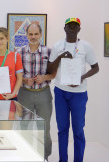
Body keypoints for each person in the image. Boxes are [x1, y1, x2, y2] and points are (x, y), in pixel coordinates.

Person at [47, 18, 99, 162]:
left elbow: (96, 68)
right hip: (60, 92)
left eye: (75, 26)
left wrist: (82, 77)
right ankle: (62, 160)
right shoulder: (58, 46)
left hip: (79, 94)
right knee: (62, 130)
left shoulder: (86, 46)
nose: (71, 29)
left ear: (79, 29)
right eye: (69, 26)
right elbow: (50, 68)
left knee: (78, 131)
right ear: (64, 28)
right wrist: (61, 56)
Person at [16, 23, 55, 161]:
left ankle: (44, 157)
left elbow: (54, 73)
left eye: (36, 34)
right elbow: (15, 75)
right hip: (24, 95)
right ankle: (26, 156)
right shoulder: (19, 52)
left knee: (44, 128)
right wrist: (25, 80)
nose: (33, 37)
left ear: (41, 35)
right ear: (26, 35)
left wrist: (44, 77)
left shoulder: (49, 52)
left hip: (43, 94)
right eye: (30, 34)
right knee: (24, 127)